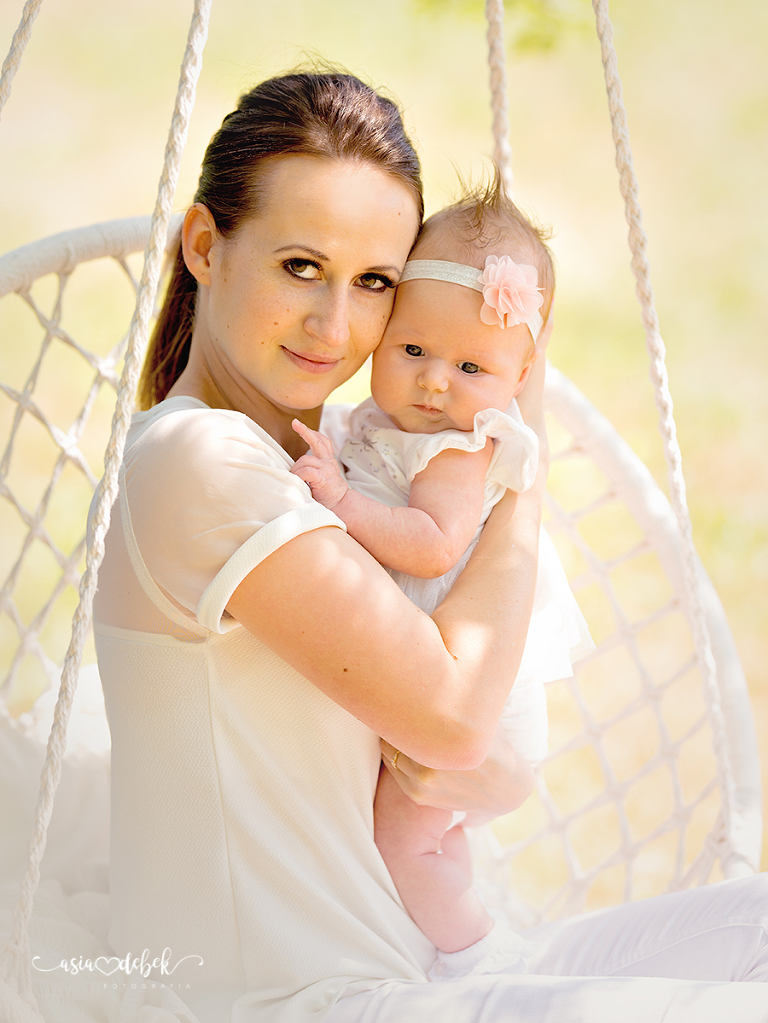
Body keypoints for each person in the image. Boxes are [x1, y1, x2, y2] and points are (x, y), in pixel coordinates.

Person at [92, 70, 768, 1023]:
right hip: (305, 998)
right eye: (300, 266)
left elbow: (469, 757)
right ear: (206, 245)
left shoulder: (345, 465)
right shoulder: (200, 458)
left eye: (373, 283)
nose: (337, 325)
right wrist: (510, 467)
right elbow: (451, 716)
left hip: (424, 963)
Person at [290, 184, 593, 969]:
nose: (434, 382)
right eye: (413, 350)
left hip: (477, 703)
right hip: (430, 683)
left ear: (520, 374)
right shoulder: (393, 425)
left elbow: (427, 544)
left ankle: (476, 959)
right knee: (404, 838)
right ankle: (436, 922)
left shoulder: (462, 447)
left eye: (471, 365)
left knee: (401, 834)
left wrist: (341, 500)